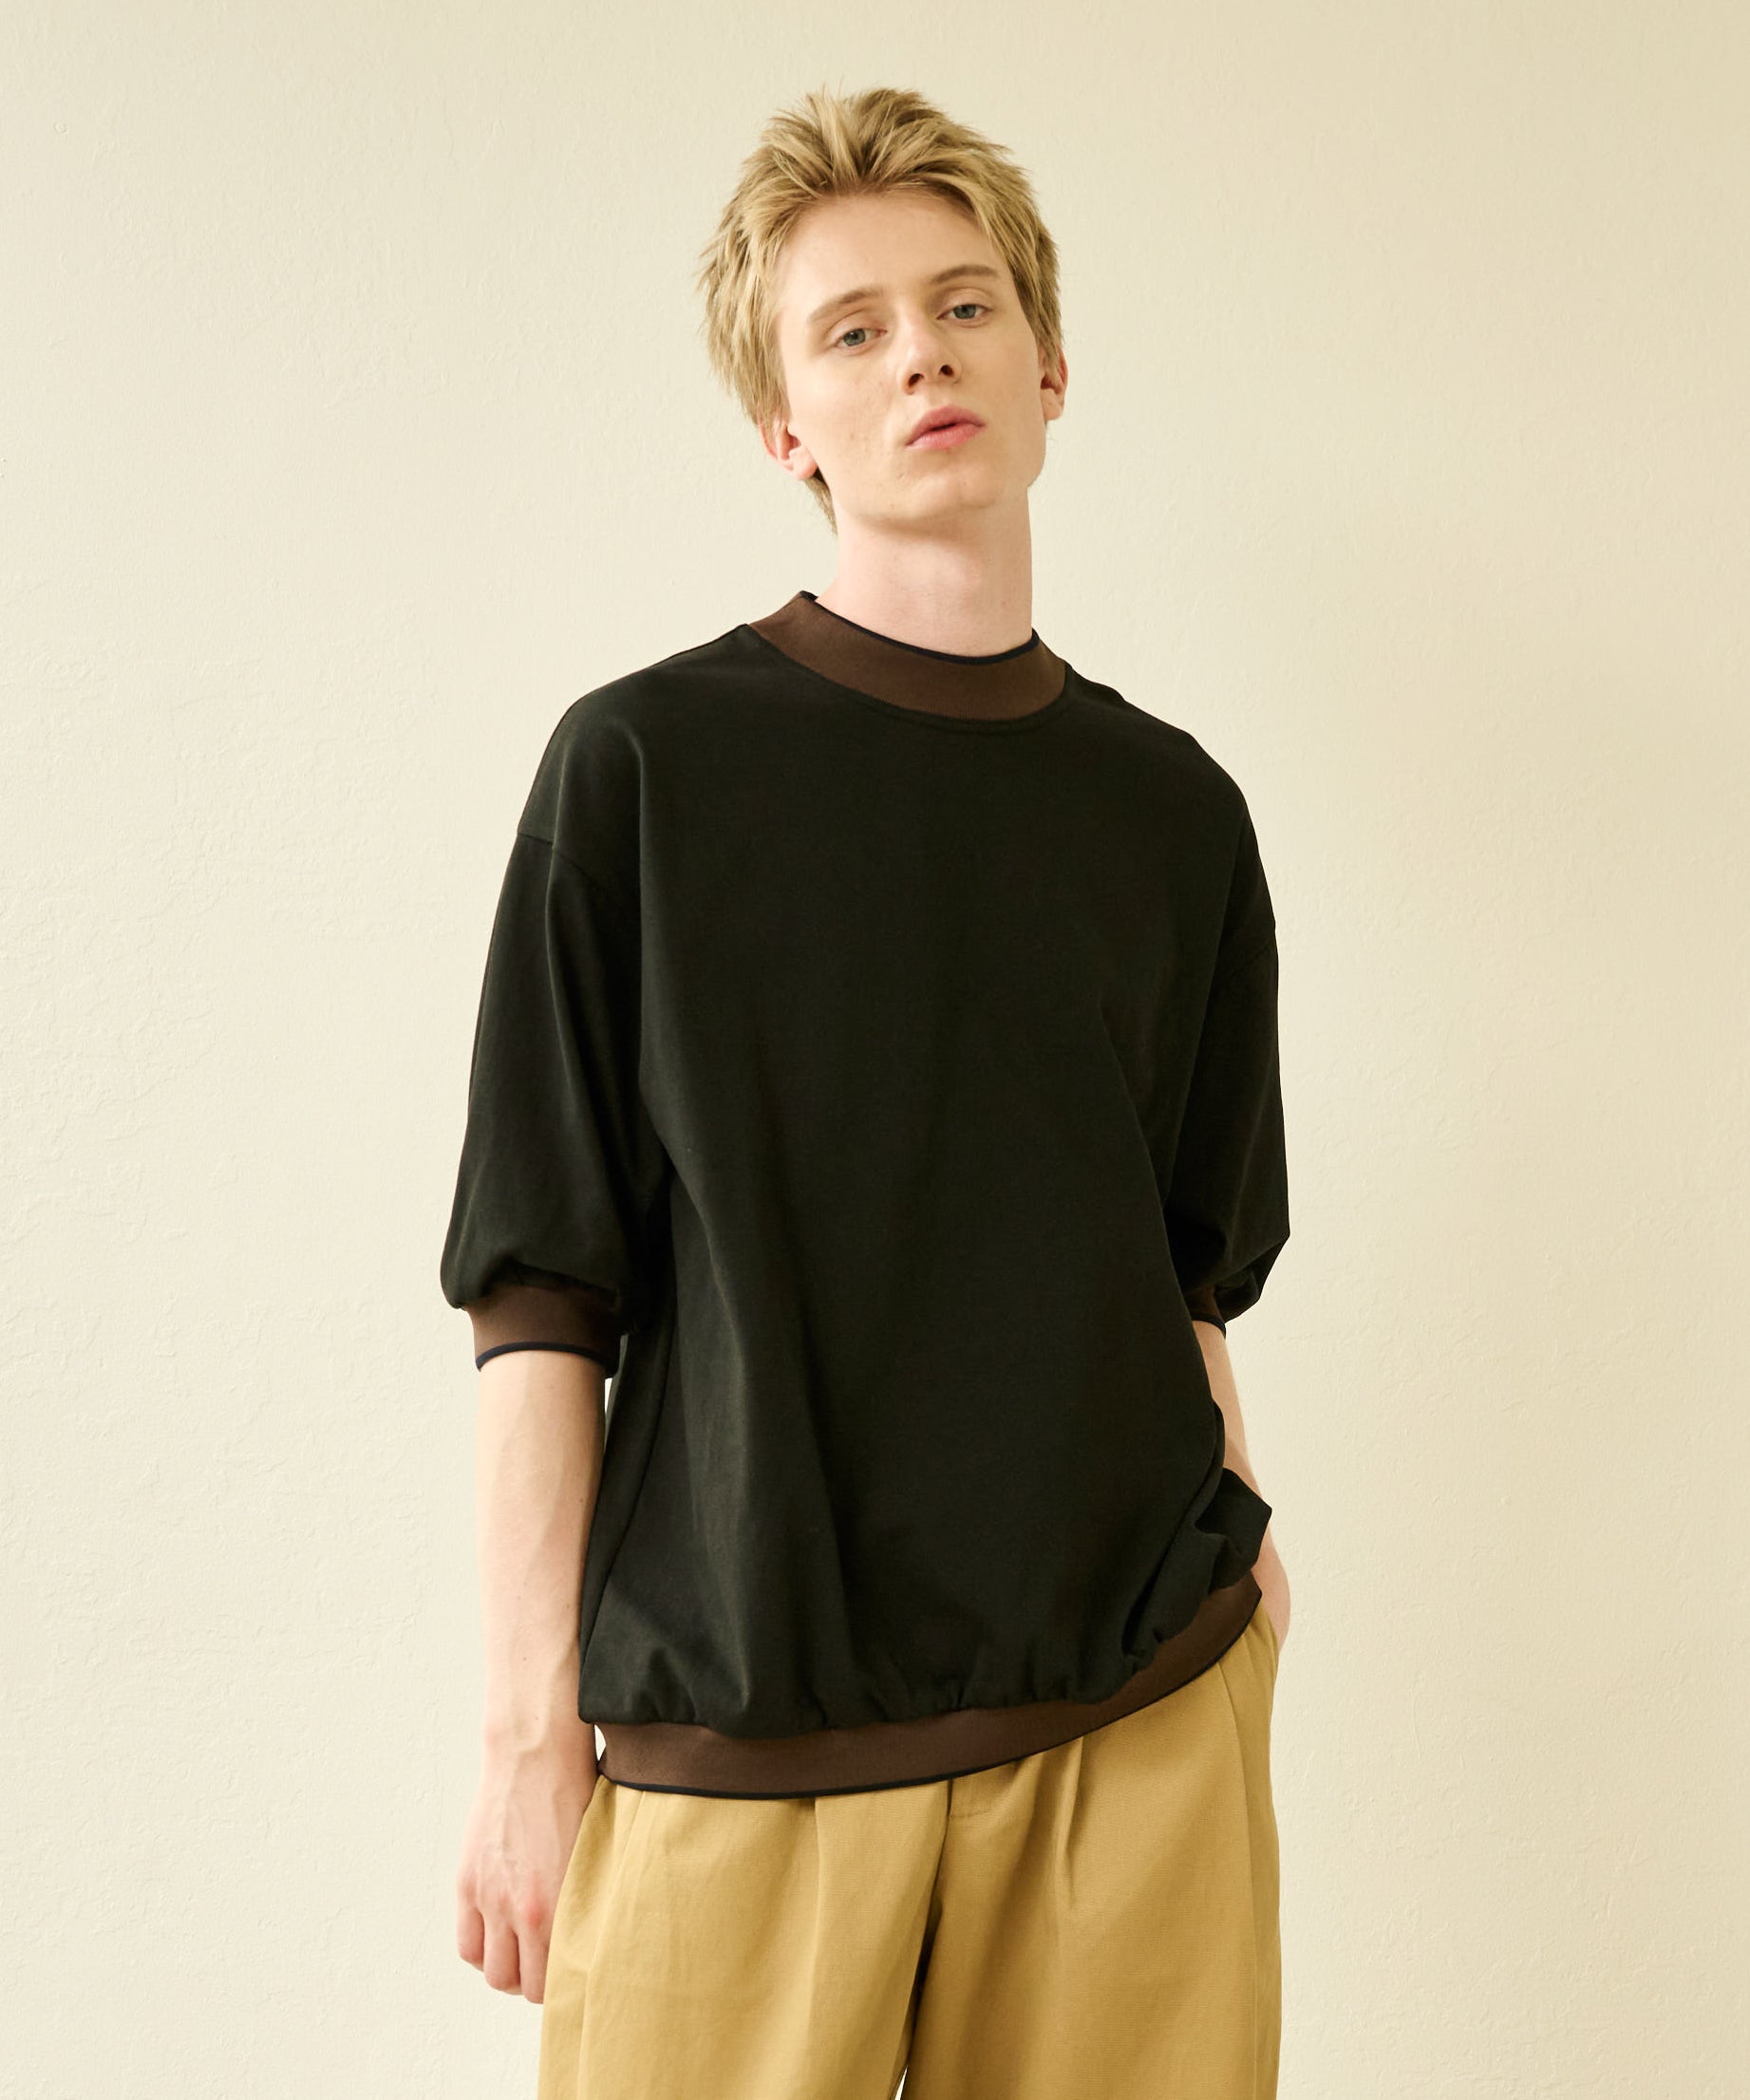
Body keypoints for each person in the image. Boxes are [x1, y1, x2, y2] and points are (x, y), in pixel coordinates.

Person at [443, 82, 1292, 2100]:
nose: (923, 352)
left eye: (967, 304)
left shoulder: (1173, 813)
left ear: (1048, 367)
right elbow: (542, 1293)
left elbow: (1183, 1268)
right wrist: (524, 1733)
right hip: (741, 1737)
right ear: (785, 426)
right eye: (853, 328)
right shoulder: (642, 774)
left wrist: (1250, 1575)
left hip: (1135, 1719)